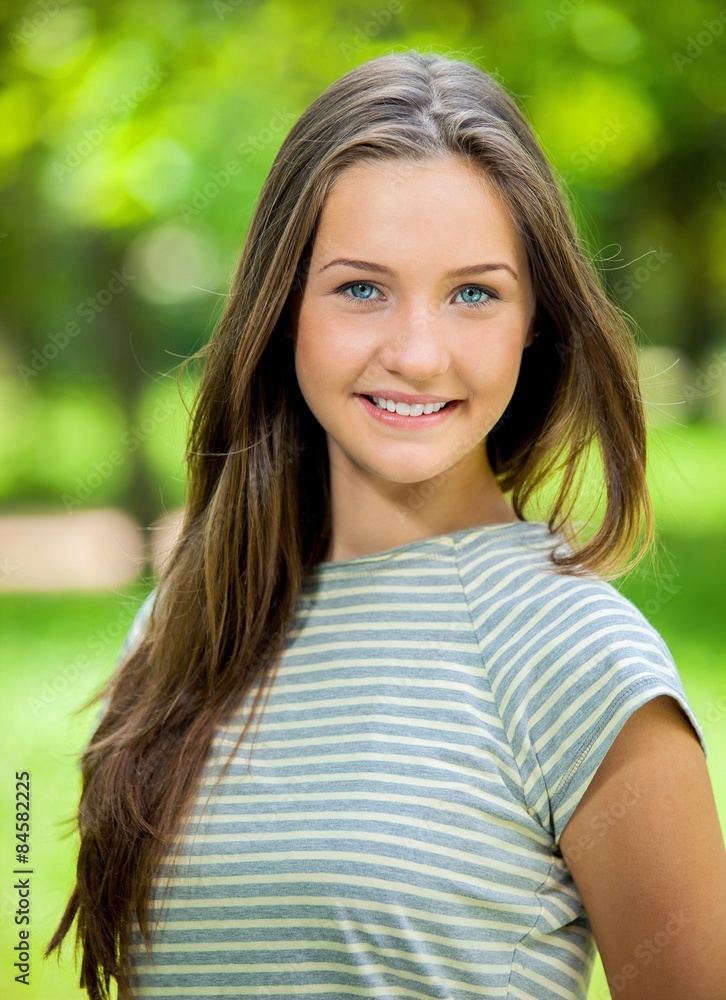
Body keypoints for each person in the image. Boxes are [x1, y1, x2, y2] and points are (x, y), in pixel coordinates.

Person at [47, 49, 726, 1000]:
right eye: (362, 287)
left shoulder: (581, 660)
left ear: (535, 321)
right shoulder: (180, 631)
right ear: (286, 310)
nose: (416, 353)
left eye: (475, 293)